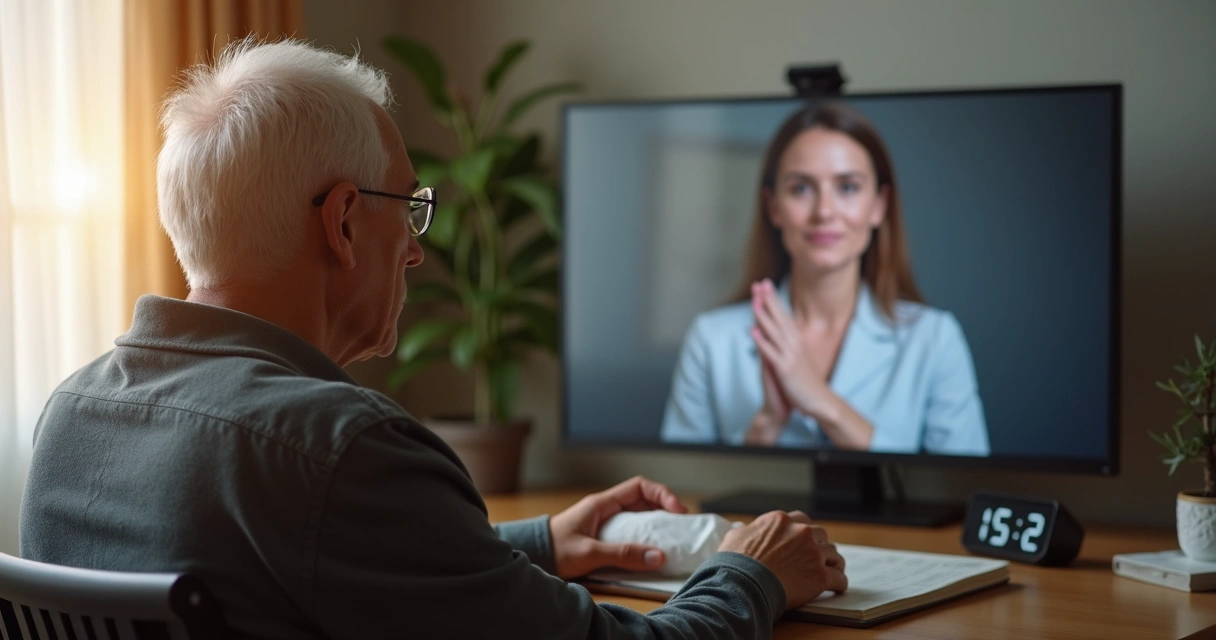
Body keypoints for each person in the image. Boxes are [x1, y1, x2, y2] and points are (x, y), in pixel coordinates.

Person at [19, 39, 848, 639]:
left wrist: (537, 546)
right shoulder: (340, 450)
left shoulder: (73, 413)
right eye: (407, 207)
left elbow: (292, 570)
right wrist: (751, 574)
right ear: (345, 222)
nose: (416, 247)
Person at [660, 103, 990, 455]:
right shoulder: (711, 340)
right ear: (773, 207)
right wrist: (768, 421)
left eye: (847, 187)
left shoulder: (935, 339)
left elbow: (962, 489)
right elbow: (679, 493)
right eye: (801, 188)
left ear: (879, 205)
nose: (824, 212)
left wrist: (821, 401)